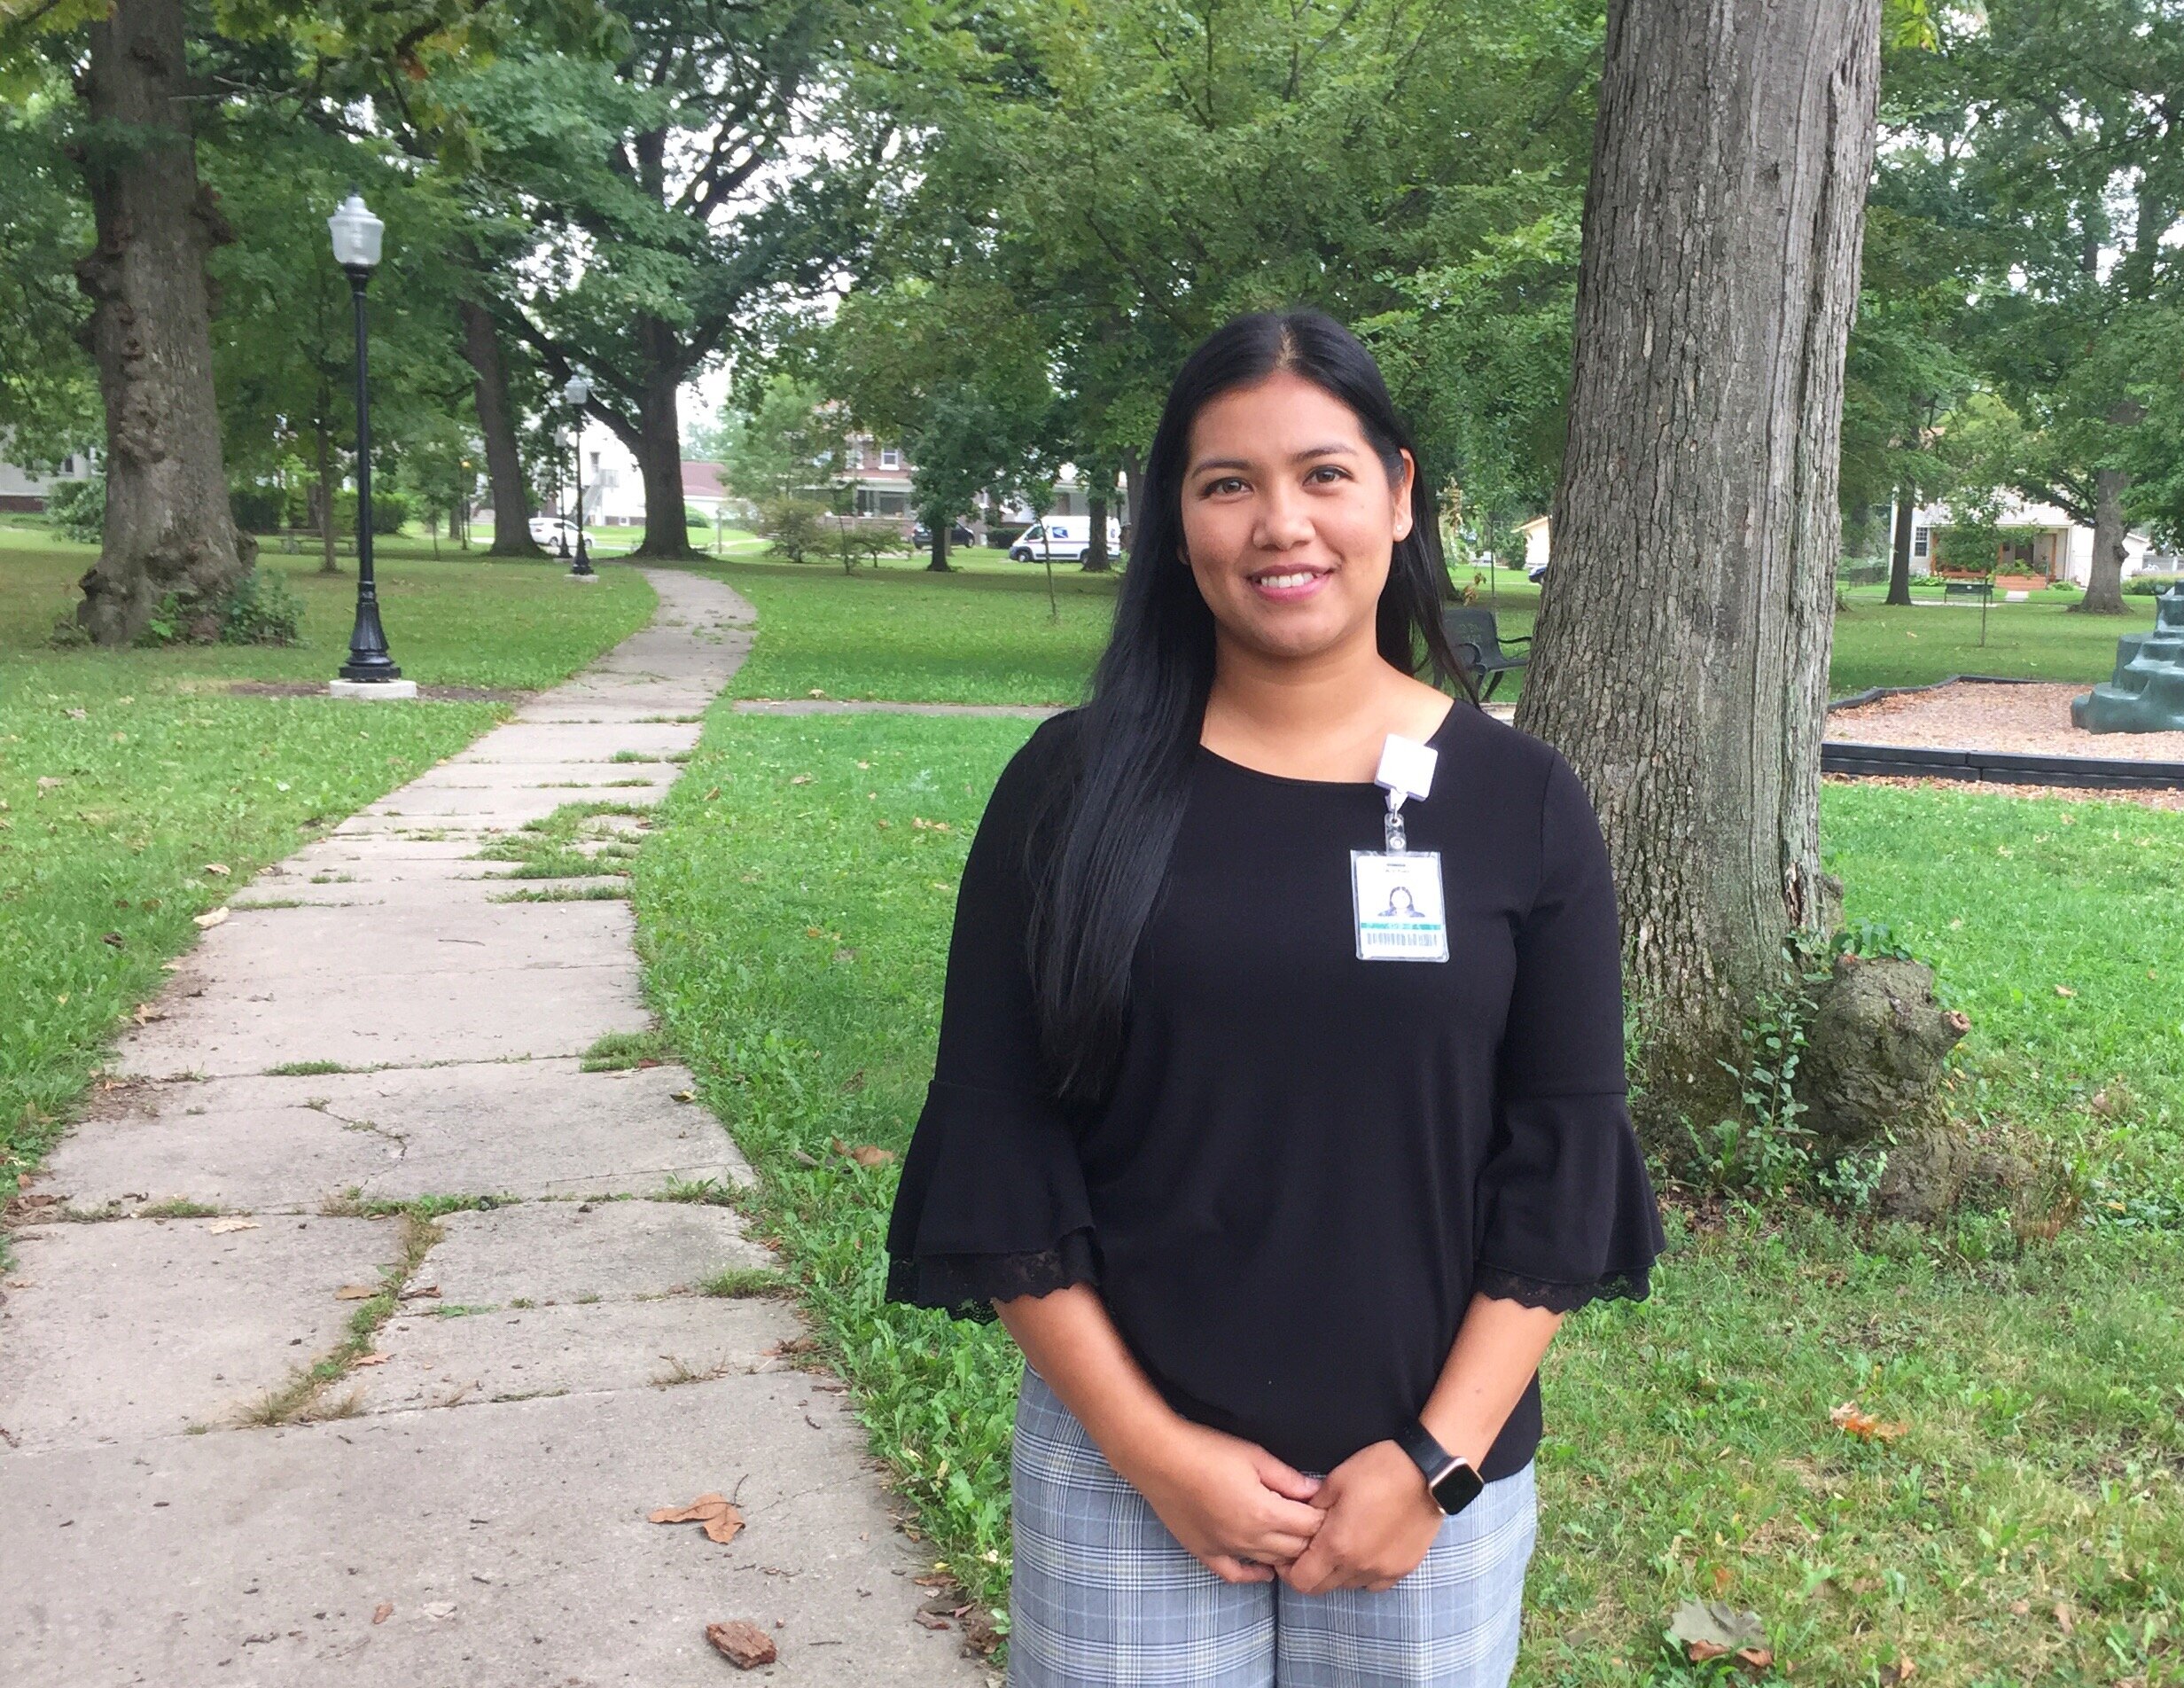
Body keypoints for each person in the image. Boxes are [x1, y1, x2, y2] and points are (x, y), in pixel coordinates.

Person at [885, 309, 1665, 1687]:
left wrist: (1434, 1464)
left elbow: (1562, 1163)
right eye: (1227, 484)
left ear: (1401, 493)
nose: (1280, 525)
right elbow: (1002, 1149)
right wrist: (1153, 1452)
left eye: (1323, 475)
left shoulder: (1522, 803)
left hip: (1428, 1478)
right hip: (1127, 1472)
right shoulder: (1070, 791)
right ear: (1175, 520)